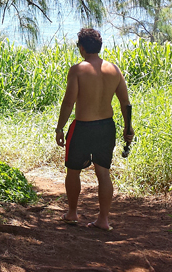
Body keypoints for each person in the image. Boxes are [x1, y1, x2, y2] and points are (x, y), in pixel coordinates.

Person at [54, 28, 134, 231]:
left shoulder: (78, 70)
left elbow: (68, 102)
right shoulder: (114, 69)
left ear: (82, 48)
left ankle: (72, 213)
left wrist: (60, 127)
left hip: (82, 127)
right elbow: (126, 103)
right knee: (103, 172)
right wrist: (128, 127)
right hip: (106, 127)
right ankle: (103, 220)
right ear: (99, 47)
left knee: (73, 171)